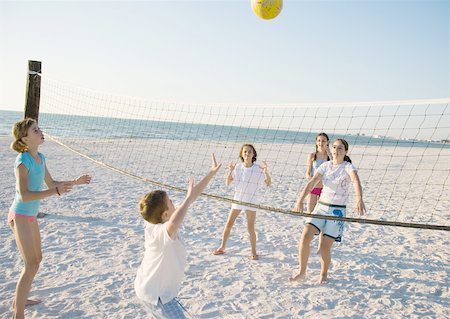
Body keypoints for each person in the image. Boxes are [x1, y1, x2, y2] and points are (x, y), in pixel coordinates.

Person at [8, 118, 91, 319]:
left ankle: (21, 297)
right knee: (31, 265)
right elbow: (24, 195)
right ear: (25, 139)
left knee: (37, 260)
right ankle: (17, 313)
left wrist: (75, 182)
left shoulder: (41, 158)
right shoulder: (22, 161)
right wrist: (55, 192)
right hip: (19, 215)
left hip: (30, 216)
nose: (40, 131)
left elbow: (51, 182)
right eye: (35, 130)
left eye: (39, 128)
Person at [134, 154, 221, 319]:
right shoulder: (159, 233)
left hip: (148, 288)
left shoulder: (155, 221)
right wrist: (187, 199)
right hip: (157, 297)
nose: (175, 202)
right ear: (166, 214)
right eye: (171, 201)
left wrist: (211, 173)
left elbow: (190, 200)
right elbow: (175, 221)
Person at [290, 138, 365, 284]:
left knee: (325, 247)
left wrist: (359, 199)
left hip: (337, 212)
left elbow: (356, 181)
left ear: (346, 151)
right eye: (335, 147)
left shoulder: (348, 167)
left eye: (340, 148)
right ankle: (302, 272)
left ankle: (323, 274)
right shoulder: (325, 165)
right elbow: (312, 182)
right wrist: (299, 200)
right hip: (321, 207)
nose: (336, 150)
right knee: (305, 237)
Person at [213, 144, 271, 260]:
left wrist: (266, 172)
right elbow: (228, 182)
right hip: (238, 199)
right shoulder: (238, 167)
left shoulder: (258, 169)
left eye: (249, 152)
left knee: (250, 228)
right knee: (229, 224)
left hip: (251, 201)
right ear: (241, 154)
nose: (247, 154)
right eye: (245, 152)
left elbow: (268, 183)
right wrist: (230, 171)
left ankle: (254, 252)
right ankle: (222, 247)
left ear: (253, 154)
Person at [305, 132, 331, 213]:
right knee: (310, 213)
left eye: (323, 141)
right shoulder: (312, 155)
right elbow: (307, 174)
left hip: (325, 188)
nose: (321, 143)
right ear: (316, 142)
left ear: (327, 142)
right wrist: (314, 180)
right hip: (313, 187)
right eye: (319, 140)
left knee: (322, 213)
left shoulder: (330, 156)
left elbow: (335, 166)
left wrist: (329, 152)